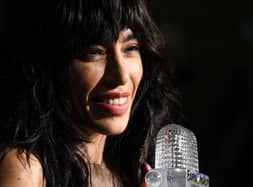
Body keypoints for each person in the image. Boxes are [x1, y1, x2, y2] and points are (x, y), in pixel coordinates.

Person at [0, 0, 185, 186]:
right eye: (94, 52)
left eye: (130, 48)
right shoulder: (25, 168)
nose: (121, 76)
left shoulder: (130, 173)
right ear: (50, 67)